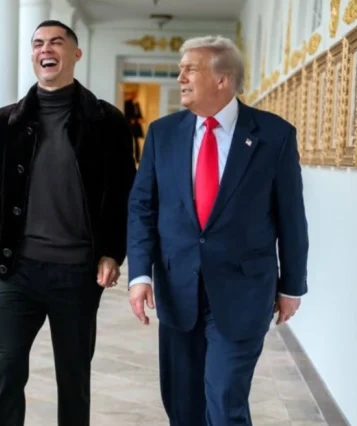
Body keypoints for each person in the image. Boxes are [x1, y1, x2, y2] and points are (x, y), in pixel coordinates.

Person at [126, 35, 308, 426]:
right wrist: (140, 274)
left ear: (222, 79)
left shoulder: (274, 136)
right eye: (180, 70)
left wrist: (292, 285)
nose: (180, 79)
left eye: (189, 69)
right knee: (183, 405)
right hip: (178, 288)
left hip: (244, 292)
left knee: (225, 403)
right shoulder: (162, 134)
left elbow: (291, 215)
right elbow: (142, 207)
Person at [0, 20, 136, 426]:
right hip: (18, 272)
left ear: (75, 54)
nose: (47, 49)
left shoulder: (107, 121)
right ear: (32, 55)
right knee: (7, 369)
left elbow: (122, 196)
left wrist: (112, 252)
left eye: (57, 42)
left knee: (73, 378)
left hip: (77, 275)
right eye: (39, 43)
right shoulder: (5, 122)